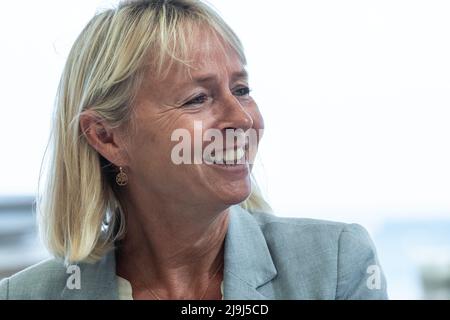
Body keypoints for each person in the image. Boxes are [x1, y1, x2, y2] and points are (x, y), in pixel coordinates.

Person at [0, 0, 387, 300]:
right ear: (107, 137)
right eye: (197, 99)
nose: (242, 119)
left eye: (242, 90)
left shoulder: (337, 264)